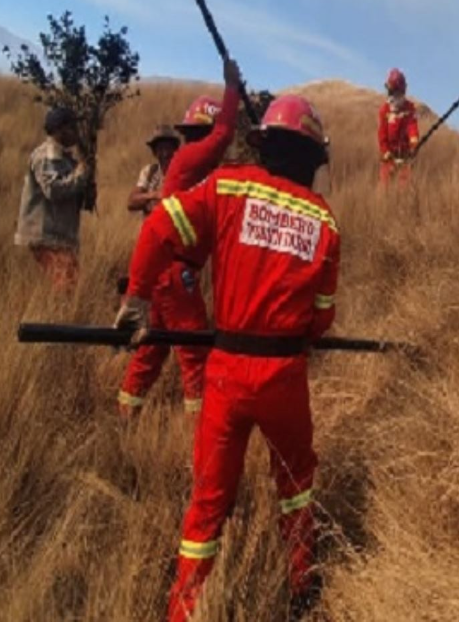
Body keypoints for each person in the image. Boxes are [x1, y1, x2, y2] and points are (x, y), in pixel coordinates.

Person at [116, 93, 337, 621]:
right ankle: (302, 585)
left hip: (227, 373)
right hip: (284, 375)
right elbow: (322, 318)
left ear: (264, 145)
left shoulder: (228, 185)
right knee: (296, 481)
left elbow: (160, 226)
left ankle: (183, 608)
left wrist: (137, 300)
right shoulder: (324, 221)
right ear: (312, 160)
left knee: (209, 501)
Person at [117, 60, 243, 417]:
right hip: (175, 274)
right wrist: (232, 88)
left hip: (165, 270)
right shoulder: (189, 158)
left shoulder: (199, 171)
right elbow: (222, 136)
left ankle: (126, 412)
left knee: (152, 348)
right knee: (194, 353)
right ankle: (199, 427)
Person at [14, 106, 91, 290]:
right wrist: (81, 173)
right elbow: (53, 190)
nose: (76, 132)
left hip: (58, 235)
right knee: (65, 287)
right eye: (72, 127)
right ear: (60, 129)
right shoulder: (48, 155)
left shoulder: (64, 157)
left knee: (67, 284)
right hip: (47, 235)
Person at [377, 67, 419, 185]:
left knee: (404, 188)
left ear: (401, 91)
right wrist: (386, 152)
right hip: (388, 156)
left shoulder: (409, 108)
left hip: (405, 156)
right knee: (384, 188)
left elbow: (413, 127)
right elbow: (382, 134)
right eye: (390, 91)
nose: (391, 95)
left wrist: (414, 144)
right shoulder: (384, 110)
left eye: (394, 91)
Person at [128, 125, 181, 217]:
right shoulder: (149, 172)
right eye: (160, 149)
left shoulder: (182, 173)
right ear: (155, 152)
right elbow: (132, 202)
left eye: (168, 148)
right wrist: (154, 195)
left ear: (175, 150)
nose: (165, 153)